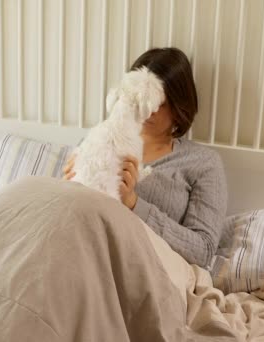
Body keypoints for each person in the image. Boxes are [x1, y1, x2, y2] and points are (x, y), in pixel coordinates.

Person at [63, 47, 227, 268]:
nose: (149, 110)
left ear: (180, 105)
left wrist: (133, 203)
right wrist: (65, 188)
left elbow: (203, 250)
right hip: (82, 247)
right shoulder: (98, 142)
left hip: (145, 266)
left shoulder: (203, 163)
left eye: (160, 101)